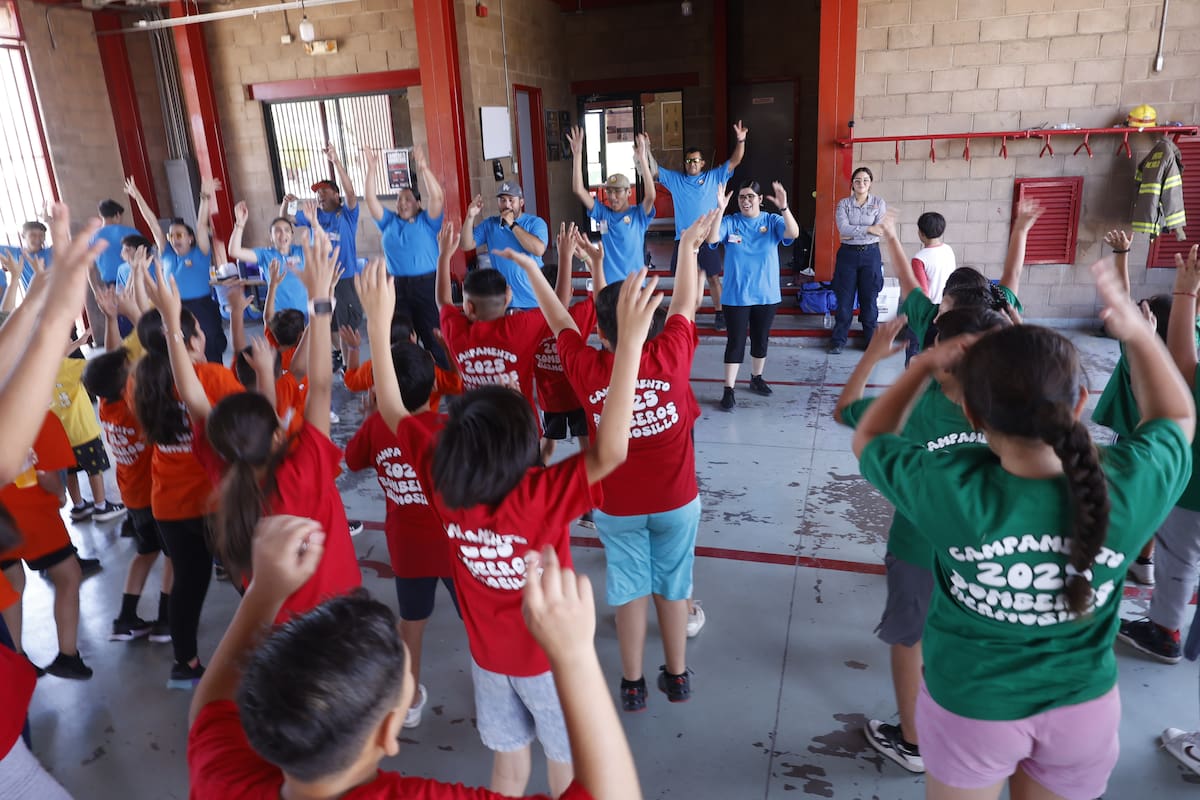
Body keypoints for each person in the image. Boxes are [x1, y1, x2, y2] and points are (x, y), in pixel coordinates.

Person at [850, 255, 1195, 800]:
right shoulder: (1126, 488)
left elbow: (869, 436)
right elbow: (1176, 417)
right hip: (1081, 710)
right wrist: (1137, 335)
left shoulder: (949, 489)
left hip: (971, 706)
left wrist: (921, 365)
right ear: (1080, 403)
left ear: (973, 416)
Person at [367, 249, 655, 797]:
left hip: (489, 661)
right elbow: (612, 450)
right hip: (550, 658)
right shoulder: (539, 495)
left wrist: (379, 330)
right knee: (566, 768)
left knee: (508, 769)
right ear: (529, 451)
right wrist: (631, 348)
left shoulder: (443, 482)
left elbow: (393, 410)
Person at [186, 512, 643, 800]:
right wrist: (575, 656)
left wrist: (262, 592)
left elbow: (210, 710)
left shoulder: (223, 782)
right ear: (388, 732)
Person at [523, 209, 718, 712]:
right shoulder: (672, 354)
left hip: (616, 505)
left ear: (602, 335)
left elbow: (560, 319)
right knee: (673, 586)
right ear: (650, 322)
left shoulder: (587, 367)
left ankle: (632, 685)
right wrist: (688, 247)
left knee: (629, 589)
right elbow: (684, 302)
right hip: (677, 501)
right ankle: (677, 676)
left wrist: (537, 270)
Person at [835, 308, 1009, 775]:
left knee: (910, 639)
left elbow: (848, 411)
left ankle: (913, 743)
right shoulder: (1013, 407)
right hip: (989, 554)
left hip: (918, 548)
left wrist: (872, 358)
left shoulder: (914, 405)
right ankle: (972, 729)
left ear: (936, 354)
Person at [158, 227, 362, 624]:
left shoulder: (226, 473)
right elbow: (321, 384)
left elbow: (194, 399)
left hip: (278, 627)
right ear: (277, 431)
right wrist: (321, 300)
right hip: (339, 614)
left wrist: (171, 325)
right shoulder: (304, 469)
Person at [131, 291, 244, 688]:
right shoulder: (212, 377)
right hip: (218, 499)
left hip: (168, 503)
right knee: (249, 577)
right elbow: (245, 424)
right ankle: (278, 643)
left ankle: (185, 664)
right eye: (196, 329)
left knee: (188, 584)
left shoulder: (140, 381)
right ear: (192, 339)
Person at [345, 339, 458, 730]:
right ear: (434, 386)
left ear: (382, 389)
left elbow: (352, 460)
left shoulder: (378, 426)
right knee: (480, 623)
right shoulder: (449, 429)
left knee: (412, 624)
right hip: (457, 546)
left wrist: (371, 418)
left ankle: (407, 703)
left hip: (408, 548)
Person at [1116, 244, 1200, 665]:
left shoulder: (1148, 362)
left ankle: (1164, 631)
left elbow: (1182, 366)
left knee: (1179, 557)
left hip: (1190, 486)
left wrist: (1186, 292)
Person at [83, 285, 173, 643]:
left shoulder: (107, 404)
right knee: (173, 557)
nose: (132, 362)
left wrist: (110, 319)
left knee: (145, 553)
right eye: (129, 367)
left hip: (133, 497)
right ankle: (166, 621)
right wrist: (138, 317)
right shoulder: (135, 405)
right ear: (127, 383)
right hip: (155, 495)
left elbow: (112, 360)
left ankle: (125, 619)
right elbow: (148, 355)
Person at [0, 203, 106, 486]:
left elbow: (64, 251)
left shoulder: (49, 254)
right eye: (31, 236)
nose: (36, 240)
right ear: (23, 238)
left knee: (72, 358)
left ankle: (87, 394)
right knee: (49, 363)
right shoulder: (18, 255)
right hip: (39, 317)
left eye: (40, 235)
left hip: (53, 314)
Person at [437, 221, 579, 419]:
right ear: (507, 297)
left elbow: (443, 301)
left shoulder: (456, 330)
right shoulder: (519, 327)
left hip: (476, 428)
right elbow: (559, 307)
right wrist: (565, 256)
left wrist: (444, 256)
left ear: (468, 307)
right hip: (520, 426)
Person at [0, 412, 91, 679]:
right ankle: (68, 656)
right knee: (68, 576)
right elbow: (49, 480)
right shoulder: (40, 418)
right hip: (35, 517)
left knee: (12, 583)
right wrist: (61, 494)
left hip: (2, 521)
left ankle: (16, 659)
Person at [707, 180, 798, 411]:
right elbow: (712, 239)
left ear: (759, 199)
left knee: (760, 338)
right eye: (742, 197)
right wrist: (720, 209)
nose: (745, 201)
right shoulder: (731, 221)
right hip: (736, 295)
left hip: (766, 294)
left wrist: (784, 207)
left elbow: (793, 233)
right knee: (735, 342)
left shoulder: (772, 221)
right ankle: (728, 389)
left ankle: (756, 378)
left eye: (750, 196)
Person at [650, 121, 747, 331]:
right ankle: (685, 315)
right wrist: (645, 150)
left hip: (706, 238)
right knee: (683, 279)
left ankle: (720, 314)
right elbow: (653, 170)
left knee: (713, 277)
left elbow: (735, 160)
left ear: (703, 163)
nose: (692, 163)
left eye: (695, 160)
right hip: (684, 239)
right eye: (688, 160)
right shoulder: (676, 180)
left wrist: (741, 140)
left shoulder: (714, 176)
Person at [363, 145, 449, 369]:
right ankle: (408, 379)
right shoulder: (388, 221)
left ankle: (445, 380)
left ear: (418, 203)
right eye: (399, 199)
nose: (402, 203)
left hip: (427, 285)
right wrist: (372, 168)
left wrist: (423, 167)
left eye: (408, 199)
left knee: (433, 337)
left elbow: (438, 196)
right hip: (397, 287)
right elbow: (370, 199)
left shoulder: (427, 221)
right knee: (400, 337)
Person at [126, 176, 228, 363]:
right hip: (175, 308)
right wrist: (137, 196)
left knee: (210, 351)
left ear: (190, 238)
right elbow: (153, 224)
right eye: (171, 236)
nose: (174, 239)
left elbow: (201, 225)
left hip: (202, 308)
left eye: (179, 235)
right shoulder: (166, 254)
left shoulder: (200, 253)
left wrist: (205, 197)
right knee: (180, 353)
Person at [286, 143, 363, 371]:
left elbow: (351, 193)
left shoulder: (346, 214)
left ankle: (350, 365)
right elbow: (288, 220)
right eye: (317, 193)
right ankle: (339, 354)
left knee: (347, 324)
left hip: (344, 278)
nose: (319, 196)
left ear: (336, 195)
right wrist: (289, 204)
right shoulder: (314, 215)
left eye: (324, 192)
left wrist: (335, 161)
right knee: (328, 322)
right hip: (322, 279)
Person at [566, 126, 656, 284]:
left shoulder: (638, 215)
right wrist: (577, 155)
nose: (612, 197)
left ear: (629, 192)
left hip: (634, 286)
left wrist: (642, 158)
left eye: (618, 191)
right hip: (608, 285)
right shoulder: (603, 214)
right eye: (609, 191)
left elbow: (651, 195)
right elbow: (578, 190)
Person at [461, 183, 549, 310]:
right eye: (502, 200)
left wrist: (512, 224)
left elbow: (539, 250)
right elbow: (465, 245)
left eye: (511, 200)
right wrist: (470, 216)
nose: (507, 205)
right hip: (505, 302)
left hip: (535, 301)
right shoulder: (490, 224)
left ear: (521, 202)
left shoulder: (535, 223)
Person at [829, 167, 886, 355]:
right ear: (852, 184)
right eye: (857, 180)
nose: (861, 184)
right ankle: (838, 341)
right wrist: (868, 229)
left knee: (869, 300)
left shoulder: (879, 203)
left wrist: (854, 231)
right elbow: (843, 228)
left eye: (865, 180)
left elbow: (880, 230)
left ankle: (871, 342)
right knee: (844, 300)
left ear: (870, 183)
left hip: (871, 255)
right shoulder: (844, 204)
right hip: (848, 256)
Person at [228, 201, 309, 318]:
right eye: (277, 231)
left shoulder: (301, 251)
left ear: (292, 235)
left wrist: (314, 222)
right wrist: (239, 223)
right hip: (280, 315)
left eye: (287, 230)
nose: (283, 234)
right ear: (271, 236)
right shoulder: (265, 254)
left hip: (305, 313)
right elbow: (234, 251)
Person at [0, 221, 52, 295]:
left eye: (41, 235)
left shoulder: (51, 252)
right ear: (23, 236)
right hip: (32, 300)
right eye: (33, 235)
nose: (38, 239)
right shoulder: (16, 253)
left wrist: (50, 222)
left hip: (57, 298)